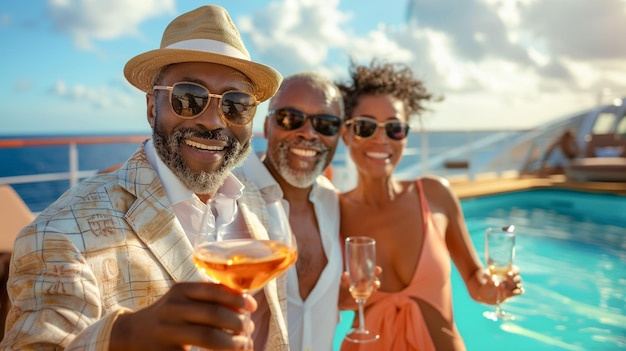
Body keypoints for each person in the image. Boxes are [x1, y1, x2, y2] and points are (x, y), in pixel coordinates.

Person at [0, 6, 290, 351]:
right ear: (153, 106)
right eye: (189, 98)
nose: (214, 121)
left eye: (236, 104)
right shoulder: (60, 232)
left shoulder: (257, 203)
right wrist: (124, 337)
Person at [335, 60, 524, 351]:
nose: (381, 138)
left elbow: (475, 280)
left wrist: (491, 290)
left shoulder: (435, 194)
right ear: (346, 134)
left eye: (394, 128)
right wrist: (339, 299)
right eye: (366, 126)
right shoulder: (332, 210)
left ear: (405, 136)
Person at [234, 72, 345, 351]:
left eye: (326, 124)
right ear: (267, 125)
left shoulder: (332, 200)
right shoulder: (228, 198)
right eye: (289, 118)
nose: (308, 133)